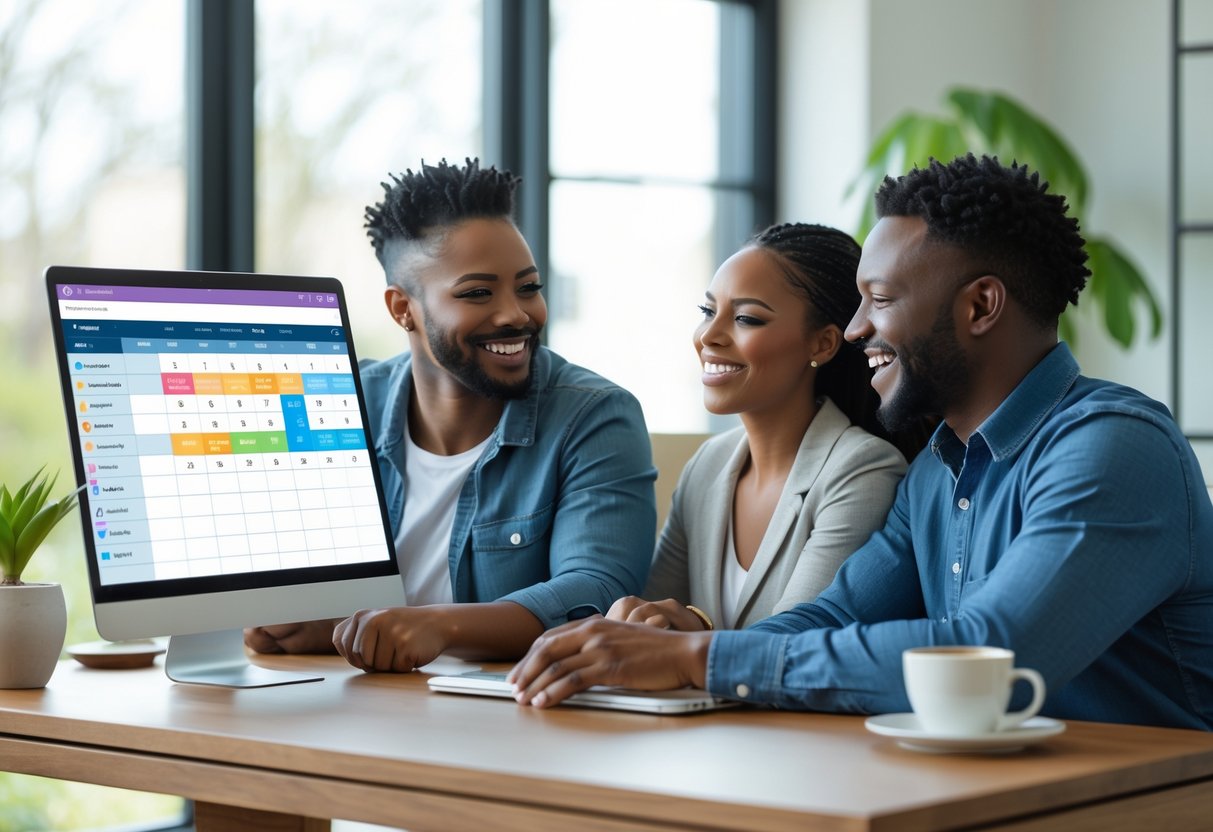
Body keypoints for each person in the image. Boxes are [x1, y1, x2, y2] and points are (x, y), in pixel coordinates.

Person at [509, 154, 1213, 731]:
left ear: (979, 306)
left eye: (878, 299)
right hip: (993, 794)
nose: (853, 331)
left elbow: (989, 654)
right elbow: (838, 615)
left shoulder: (1112, 448)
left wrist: (702, 659)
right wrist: (666, 645)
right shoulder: (938, 468)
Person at [246, 157, 657, 671]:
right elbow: (286, 579)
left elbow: (596, 591)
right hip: (352, 704)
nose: (516, 314)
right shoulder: (343, 405)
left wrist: (437, 625)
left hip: (515, 724)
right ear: (403, 309)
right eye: (477, 293)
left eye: (528, 287)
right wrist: (297, 623)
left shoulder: (595, 417)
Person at [609, 223, 911, 633]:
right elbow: (653, 614)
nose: (708, 336)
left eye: (746, 318)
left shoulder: (863, 470)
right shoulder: (708, 465)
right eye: (707, 312)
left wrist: (693, 629)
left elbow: (796, 643)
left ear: (822, 344)